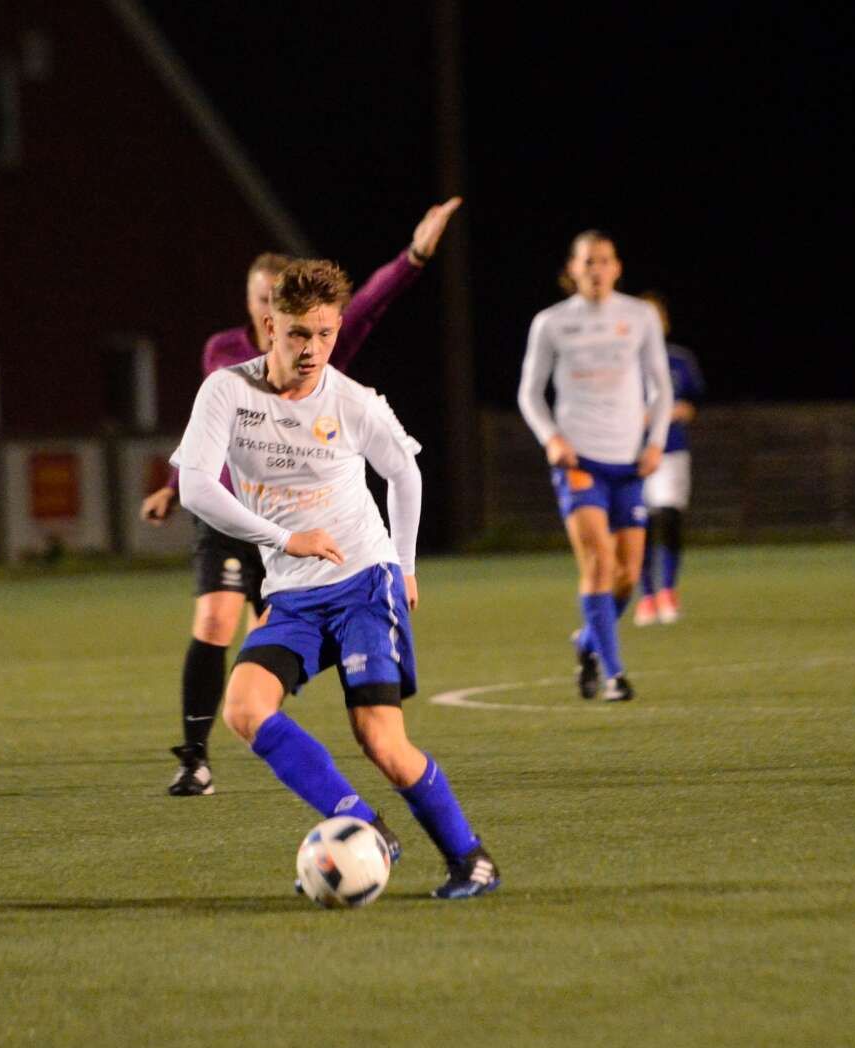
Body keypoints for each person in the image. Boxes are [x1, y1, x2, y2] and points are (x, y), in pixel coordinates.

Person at [170, 259, 499, 899]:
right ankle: (366, 828)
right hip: (292, 592)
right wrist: (285, 540)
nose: (312, 349)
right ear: (270, 325)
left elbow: (405, 474)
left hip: (362, 584)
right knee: (244, 709)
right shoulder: (226, 392)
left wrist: (404, 565)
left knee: (380, 739)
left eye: (325, 334)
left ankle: (471, 859)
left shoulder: (352, 401)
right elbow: (195, 487)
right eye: (298, 333)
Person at [141, 197, 463, 797]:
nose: (305, 337)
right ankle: (196, 754)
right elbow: (203, 447)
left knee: (290, 668)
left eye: (318, 328)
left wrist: (415, 255)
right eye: (261, 297)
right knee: (215, 619)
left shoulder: (326, 365)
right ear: (260, 311)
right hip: (230, 514)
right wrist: (173, 487)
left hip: (311, 537)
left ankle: (311, 769)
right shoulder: (222, 360)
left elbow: (369, 302)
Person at [517, 231, 672, 700]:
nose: (596, 269)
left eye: (604, 260)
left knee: (628, 575)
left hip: (629, 462)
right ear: (573, 268)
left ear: (617, 267)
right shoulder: (551, 322)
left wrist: (655, 443)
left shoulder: (640, 316)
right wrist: (552, 439)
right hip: (579, 460)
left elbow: (661, 388)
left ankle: (588, 642)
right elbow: (530, 393)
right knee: (599, 563)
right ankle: (614, 675)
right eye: (588, 262)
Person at [635, 292, 706, 626]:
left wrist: (682, 411)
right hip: (631, 454)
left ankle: (667, 590)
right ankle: (647, 597)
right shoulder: (621, 361)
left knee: (669, 517)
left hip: (671, 450)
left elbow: (693, 402)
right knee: (640, 525)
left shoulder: (679, 359)